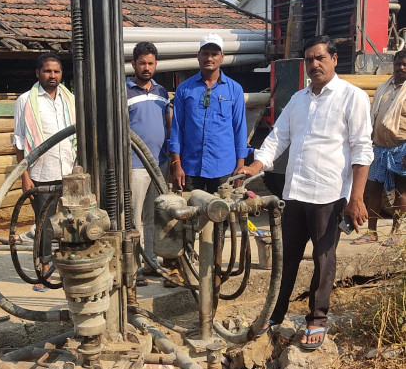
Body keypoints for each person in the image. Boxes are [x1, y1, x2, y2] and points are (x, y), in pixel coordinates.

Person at [239, 35, 373, 349]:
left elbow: (362, 149)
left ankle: (317, 319)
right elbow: (278, 137)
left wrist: (356, 198)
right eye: (309, 59)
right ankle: (275, 314)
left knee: (324, 260)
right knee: (286, 259)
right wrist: (256, 165)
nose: (314, 64)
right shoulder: (299, 99)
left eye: (320, 58)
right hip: (295, 192)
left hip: (330, 194)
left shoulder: (351, 97)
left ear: (334, 59)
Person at [13, 53, 76, 291]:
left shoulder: (70, 99)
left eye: (56, 71)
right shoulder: (25, 101)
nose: (52, 75)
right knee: (44, 224)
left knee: (71, 223)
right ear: (37, 73)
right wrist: (24, 176)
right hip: (41, 171)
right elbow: (19, 141)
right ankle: (43, 270)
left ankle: (69, 267)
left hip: (69, 169)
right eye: (48, 71)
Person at [168, 32, 250, 194]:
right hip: (190, 167)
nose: (209, 58)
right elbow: (176, 128)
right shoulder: (184, 89)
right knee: (190, 208)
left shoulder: (234, 89)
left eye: (214, 54)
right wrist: (176, 164)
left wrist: (240, 165)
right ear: (198, 56)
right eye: (205, 53)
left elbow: (240, 128)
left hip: (223, 167)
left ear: (222, 57)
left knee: (224, 209)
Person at [127, 42, 171, 286]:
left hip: (159, 163)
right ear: (134, 64)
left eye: (150, 63)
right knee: (133, 218)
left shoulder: (161, 92)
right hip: (135, 164)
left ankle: (151, 261)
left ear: (156, 64)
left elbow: (168, 123)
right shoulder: (124, 91)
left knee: (155, 215)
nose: (146, 67)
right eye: (142, 63)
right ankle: (134, 267)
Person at [351, 49, 406, 246]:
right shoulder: (384, 87)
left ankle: (396, 234)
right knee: (372, 189)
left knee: (402, 192)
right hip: (380, 147)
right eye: (398, 64)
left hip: (402, 147)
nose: (401, 67)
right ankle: (371, 232)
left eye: (405, 65)